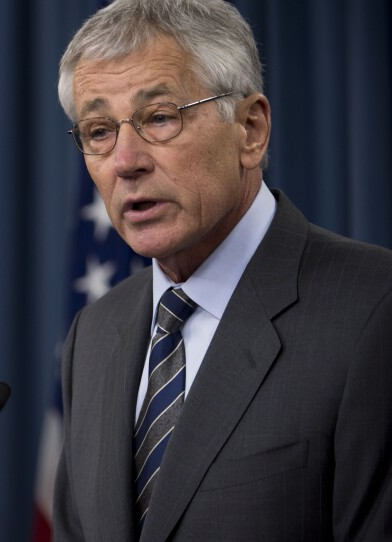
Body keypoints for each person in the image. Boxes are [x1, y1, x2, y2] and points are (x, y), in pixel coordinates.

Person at [52, 0, 392, 540]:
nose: (125, 160)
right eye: (98, 131)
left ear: (250, 129)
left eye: (159, 117)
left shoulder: (374, 310)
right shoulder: (94, 335)